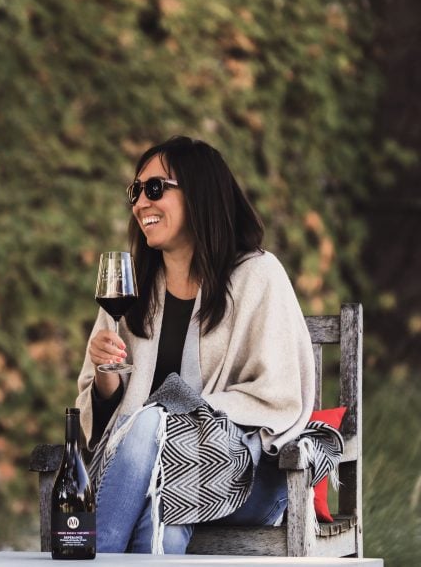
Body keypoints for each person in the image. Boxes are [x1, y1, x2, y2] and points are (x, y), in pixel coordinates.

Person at [75, 136, 315, 554]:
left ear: (200, 193)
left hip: (245, 474)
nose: (140, 203)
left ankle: (92, 557)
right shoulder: (132, 288)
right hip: (152, 480)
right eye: (135, 191)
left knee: (153, 422)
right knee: (163, 524)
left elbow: (279, 398)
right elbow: (102, 421)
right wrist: (103, 375)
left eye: (154, 189)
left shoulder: (258, 275)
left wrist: (176, 416)